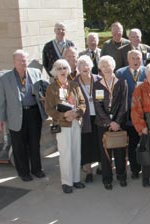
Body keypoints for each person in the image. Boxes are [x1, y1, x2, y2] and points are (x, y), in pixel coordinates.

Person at [0, 49, 47, 182]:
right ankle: (23, 172)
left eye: (24, 60)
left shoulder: (36, 73)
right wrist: (0, 119)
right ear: (14, 62)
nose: (22, 63)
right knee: (19, 145)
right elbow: (0, 101)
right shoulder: (4, 79)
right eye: (19, 60)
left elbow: (44, 89)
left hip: (34, 113)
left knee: (35, 143)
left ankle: (37, 169)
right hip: (16, 115)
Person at [44, 59, 86, 194]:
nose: (62, 71)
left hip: (75, 122)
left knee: (76, 151)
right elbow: (49, 109)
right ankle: (67, 182)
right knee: (65, 153)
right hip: (62, 125)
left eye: (65, 68)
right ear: (55, 72)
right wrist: (64, 115)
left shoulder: (74, 85)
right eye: (59, 68)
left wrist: (76, 113)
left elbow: (82, 103)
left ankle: (76, 179)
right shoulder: (51, 88)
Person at [93, 55, 128, 190]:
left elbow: (124, 104)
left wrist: (117, 122)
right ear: (100, 69)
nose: (107, 68)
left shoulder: (121, 82)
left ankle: (121, 176)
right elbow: (98, 105)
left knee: (120, 151)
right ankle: (107, 179)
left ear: (113, 67)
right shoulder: (97, 85)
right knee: (105, 153)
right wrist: (109, 122)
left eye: (109, 65)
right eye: (103, 66)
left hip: (119, 123)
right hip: (103, 124)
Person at [116, 50, 147, 179]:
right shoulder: (120, 73)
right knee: (132, 143)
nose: (135, 61)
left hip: (145, 114)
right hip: (129, 115)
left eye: (138, 58)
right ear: (128, 60)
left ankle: (147, 169)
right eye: (133, 58)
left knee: (145, 144)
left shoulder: (147, 71)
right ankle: (135, 169)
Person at [75, 55, 102, 183]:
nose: (85, 67)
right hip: (84, 119)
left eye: (87, 64)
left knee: (100, 142)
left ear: (91, 66)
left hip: (99, 117)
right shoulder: (74, 83)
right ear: (78, 68)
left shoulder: (99, 80)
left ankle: (102, 167)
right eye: (82, 65)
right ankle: (88, 172)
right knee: (86, 145)